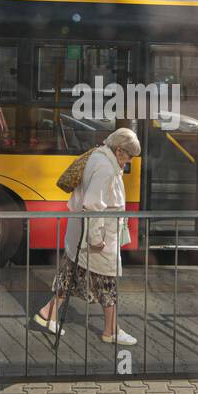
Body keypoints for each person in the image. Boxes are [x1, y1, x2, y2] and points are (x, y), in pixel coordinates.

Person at [33, 127, 140, 346]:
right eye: (128, 158)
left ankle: (48, 314)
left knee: (72, 275)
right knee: (106, 282)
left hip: (85, 235)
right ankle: (110, 331)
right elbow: (93, 205)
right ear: (119, 150)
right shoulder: (105, 168)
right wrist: (95, 239)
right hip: (97, 239)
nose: (127, 163)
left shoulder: (98, 156)